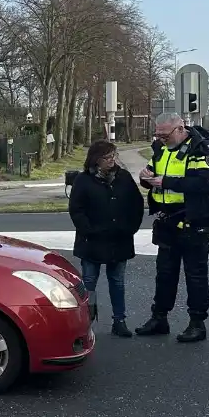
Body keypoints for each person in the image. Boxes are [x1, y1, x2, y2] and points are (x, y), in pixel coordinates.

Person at [136, 113, 209, 342]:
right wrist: (144, 178)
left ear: (180, 129)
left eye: (164, 135)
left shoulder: (202, 149)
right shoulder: (160, 148)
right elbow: (152, 175)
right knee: (164, 273)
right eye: (158, 135)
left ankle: (197, 323)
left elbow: (207, 182)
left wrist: (166, 182)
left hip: (194, 221)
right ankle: (159, 318)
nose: (161, 139)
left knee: (195, 274)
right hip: (167, 221)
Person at [67, 140, 144, 337]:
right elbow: (77, 210)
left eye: (113, 156)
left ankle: (120, 320)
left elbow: (136, 204)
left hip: (120, 239)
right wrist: (89, 230)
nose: (112, 160)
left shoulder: (123, 177)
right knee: (89, 282)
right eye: (107, 157)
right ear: (95, 160)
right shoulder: (83, 180)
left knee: (117, 281)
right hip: (92, 241)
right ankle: (85, 323)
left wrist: (130, 228)